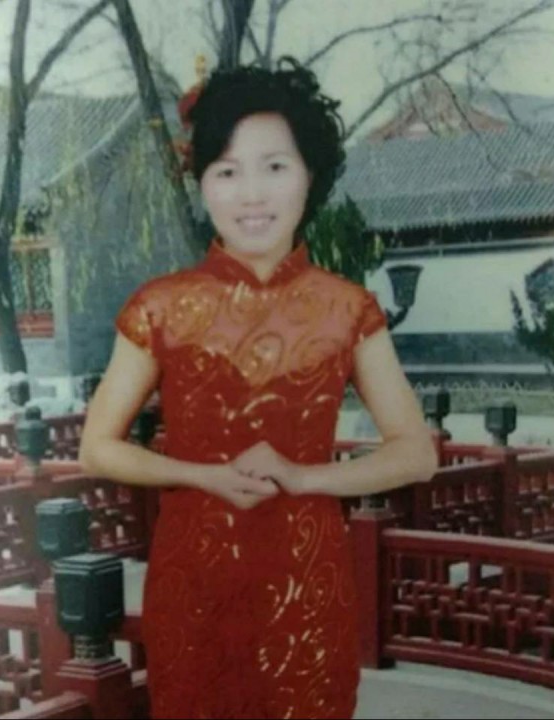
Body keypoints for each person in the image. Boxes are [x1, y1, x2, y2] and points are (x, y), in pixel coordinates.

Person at [79, 57, 438, 720]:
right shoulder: (161, 308)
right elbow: (96, 447)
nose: (251, 194)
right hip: (193, 586)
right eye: (226, 171)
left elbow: (416, 453)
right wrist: (201, 475)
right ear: (202, 184)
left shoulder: (347, 310)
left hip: (306, 583)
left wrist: (302, 478)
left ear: (310, 175)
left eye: (274, 166)